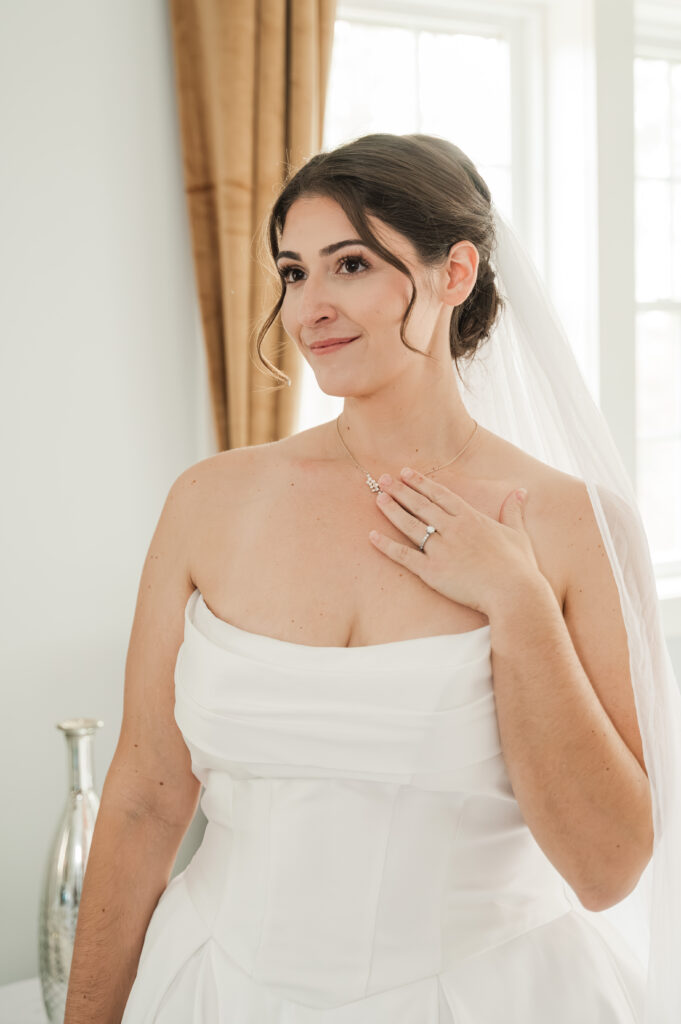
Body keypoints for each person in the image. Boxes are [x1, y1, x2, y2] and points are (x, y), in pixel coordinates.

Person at [65, 132, 665, 1022]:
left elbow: (607, 867)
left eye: (349, 264)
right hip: (210, 990)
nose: (309, 307)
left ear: (454, 273)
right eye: (293, 272)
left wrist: (517, 602)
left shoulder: (576, 526)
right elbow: (146, 800)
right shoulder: (209, 500)